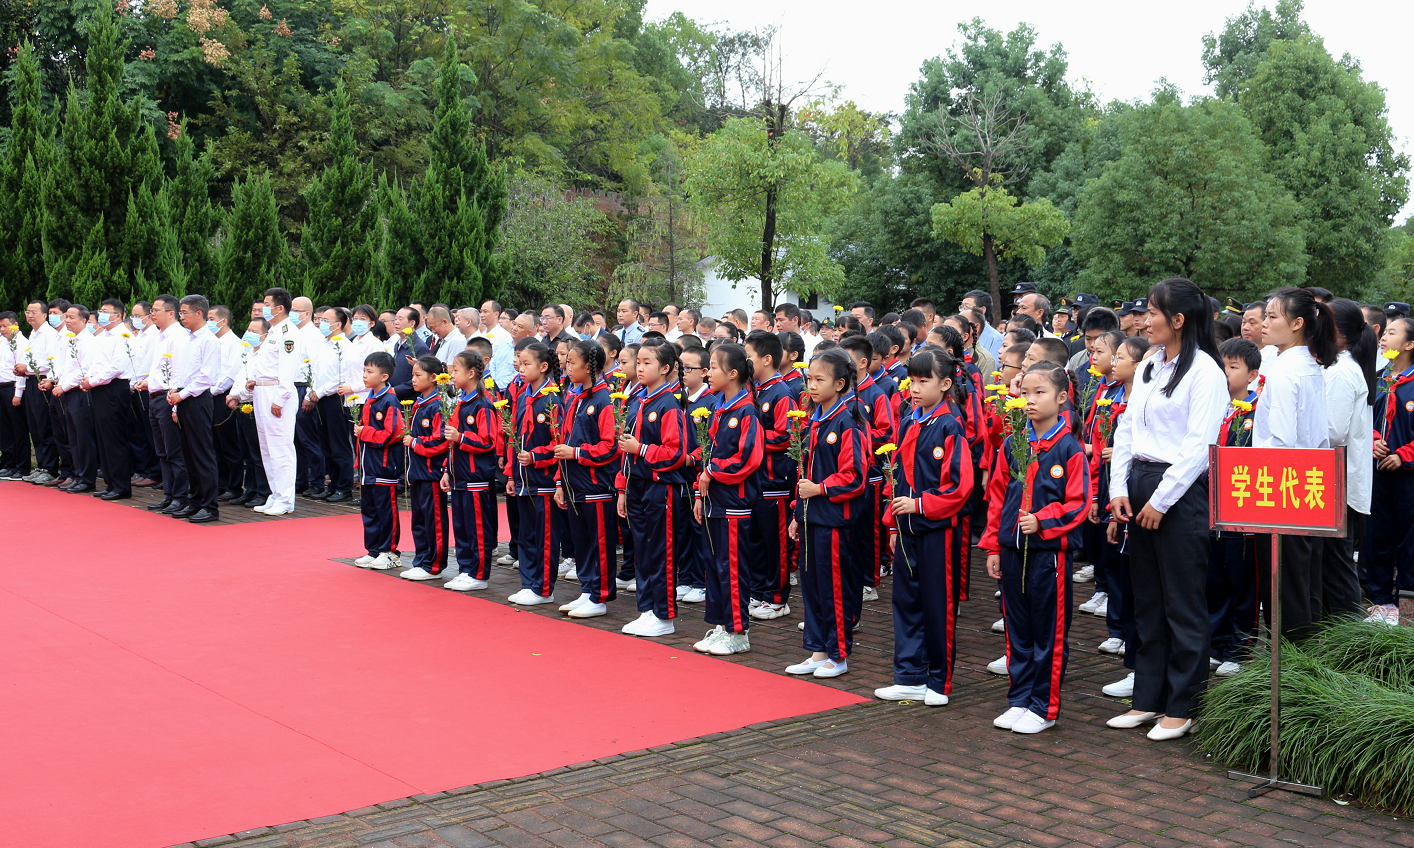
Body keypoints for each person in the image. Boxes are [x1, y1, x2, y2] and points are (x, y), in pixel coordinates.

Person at [1108, 278, 1229, 741]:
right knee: (1149, 599)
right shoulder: (1151, 365)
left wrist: (1160, 501)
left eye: (1153, 313)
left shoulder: (1205, 372)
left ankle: (1183, 705)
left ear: (1178, 320)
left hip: (1178, 492)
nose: (1144, 321)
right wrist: (1119, 488)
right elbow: (1126, 430)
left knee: (1183, 602)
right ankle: (1148, 697)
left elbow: (1199, 447)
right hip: (1139, 483)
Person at [982, 363, 1088, 734]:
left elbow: (1079, 503)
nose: (1029, 400)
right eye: (1025, 392)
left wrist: (1043, 520)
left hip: (1049, 556)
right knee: (1017, 630)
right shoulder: (1014, 442)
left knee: (1049, 633)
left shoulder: (1069, 448)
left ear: (1061, 398)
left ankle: (1044, 706)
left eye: (1039, 392)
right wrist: (994, 544)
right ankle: (1020, 699)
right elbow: (997, 495)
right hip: (1012, 552)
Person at [875, 348, 975, 707]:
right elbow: (897, 476)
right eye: (912, 381)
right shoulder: (910, 419)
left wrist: (920, 504)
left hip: (937, 528)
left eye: (923, 381)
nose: (914, 388)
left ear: (945, 384)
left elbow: (960, 487)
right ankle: (909, 675)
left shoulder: (951, 424)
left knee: (937, 605)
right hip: (906, 528)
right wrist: (891, 522)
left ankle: (938, 679)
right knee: (905, 601)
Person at [1253, 287, 1335, 642]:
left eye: (1272, 317)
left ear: (1298, 323)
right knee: (1304, 583)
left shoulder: (1288, 372)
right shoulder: (1303, 364)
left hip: (1283, 484)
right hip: (1308, 483)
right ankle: (1302, 667)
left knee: (1287, 588)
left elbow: (1281, 441)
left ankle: (1287, 672)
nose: (1265, 324)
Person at [786, 348, 869, 679]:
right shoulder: (814, 419)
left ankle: (839, 653)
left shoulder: (847, 420)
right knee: (812, 585)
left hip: (835, 520)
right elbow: (804, 473)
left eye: (820, 379)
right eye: (810, 379)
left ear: (841, 383)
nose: (812, 385)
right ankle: (819, 649)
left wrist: (820, 489)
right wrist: (797, 512)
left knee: (834, 587)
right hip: (810, 518)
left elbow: (856, 476)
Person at [616, 341, 693, 637]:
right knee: (643, 551)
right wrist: (622, 488)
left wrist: (643, 449)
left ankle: (664, 615)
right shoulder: (638, 401)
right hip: (637, 486)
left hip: (661, 490)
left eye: (647, 362)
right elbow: (626, 450)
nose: (640, 367)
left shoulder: (669, 404)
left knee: (661, 552)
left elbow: (675, 453)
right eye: (639, 361)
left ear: (665, 368)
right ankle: (647, 609)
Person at [691, 342, 764, 656]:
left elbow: (748, 459)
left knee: (732, 566)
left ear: (733, 374)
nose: (709, 373)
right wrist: (700, 490)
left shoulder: (746, 411)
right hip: (713, 500)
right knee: (715, 564)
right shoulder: (718, 407)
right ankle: (721, 625)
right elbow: (708, 453)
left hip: (735, 501)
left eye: (715, 367)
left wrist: (712, 471)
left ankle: (738, 630)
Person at [1205, 337, 1261, 678]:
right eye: (1221, 365)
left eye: (1233, 367)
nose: (1225, 373)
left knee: (1242, 581)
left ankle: (1240, 648)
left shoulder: (1259, 411)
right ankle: (1216, 643)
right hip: (1212, 508)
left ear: (1252, 374)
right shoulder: (1214, 407)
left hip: (1243, 512)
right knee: (1215, 579)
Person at [553, 340, 622, 616]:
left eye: (572, 362)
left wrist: (577, 453)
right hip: (574, 484)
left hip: (596, 485)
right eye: (566, 361)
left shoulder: (604, 399)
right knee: (581, 540)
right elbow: (565, 441)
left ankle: (600, 595)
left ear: (589, 366)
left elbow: (610, 445)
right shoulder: (575, 396)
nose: (567, 367)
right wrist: (560, 482)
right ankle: (587, 589)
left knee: (599, 542)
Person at [1318, 300, 1376, 621]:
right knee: (1336, 565)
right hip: (1337, 481)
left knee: (1338, 569)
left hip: (1334, 482)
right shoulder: (1342, 366)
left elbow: (1332, 432)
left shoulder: (1342, 372)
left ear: (1337, 332)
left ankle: (1352, 642)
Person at [743, 330, 798, 620]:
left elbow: (787, 437)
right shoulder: (756, 390)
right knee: (755, 540)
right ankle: (759, 591)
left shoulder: (781, 393)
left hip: (775, 481)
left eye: (748, 356)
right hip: (755, 480)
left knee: (775, 541)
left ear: (766, 359)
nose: (745, 362)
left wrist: (753, 436)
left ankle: (777, 598)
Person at [439, 348, 500, 591]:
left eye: (456, 370)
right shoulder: (461, 404)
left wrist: (461, 437)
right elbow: (451, 443)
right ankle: (465, 569)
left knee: (477, 529)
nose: (452, 375)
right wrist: (446, 469)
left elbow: (488, 442)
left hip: (476, 478)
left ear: (472, 373)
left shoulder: (483, 406)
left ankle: (478, 574)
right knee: (461, 527)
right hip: (459, 477)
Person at [508, 343, 563, 605]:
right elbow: (516, 438)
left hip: (543, 480)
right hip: (522, 479)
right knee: (526, 535)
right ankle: (528, 583)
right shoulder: (522, 396)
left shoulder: (552, 399)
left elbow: (559, 442)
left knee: (544, 536)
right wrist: (511, 474)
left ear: (543, 367)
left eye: (526, 363)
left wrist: (536, 456)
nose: (521, 367)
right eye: (519, 362)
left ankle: (543, 588)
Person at [1367, 317, 1414, 625]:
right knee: (1377, 535)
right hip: (1378, 471)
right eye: (1384, 333)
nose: (1383, 338)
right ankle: (1380, 599)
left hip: (1408, 474)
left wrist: (1403, 455)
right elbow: (1363, 417)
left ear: (1410, 345)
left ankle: (1406, 600)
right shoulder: (1378, 379)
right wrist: (1372, 441)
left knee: (1408, 539)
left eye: (1392, 334)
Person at [248, 288, 306, 516]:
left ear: (279, 307)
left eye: (267, 303)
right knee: (267, 449)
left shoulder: (288, 332)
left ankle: (285, 499)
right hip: (262, 391)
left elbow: (287, 368)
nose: (263, 308)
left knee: (280, 448)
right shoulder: (273, 331)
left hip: (276, 393)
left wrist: (280, 398)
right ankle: (275, 494)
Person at [166, 294, 222, 523]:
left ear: (200, 313)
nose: (182, 317)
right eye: (180, 313)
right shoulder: (188, 339)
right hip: (183, 398)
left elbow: (206, 377)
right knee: (188, 454)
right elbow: (182, 371)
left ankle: (209, 506)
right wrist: (174, 392)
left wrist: (183, 394)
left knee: (202, 454)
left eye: (185, 313)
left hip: (198, 399)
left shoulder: (209, 340)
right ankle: (196, 501)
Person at [398, 356, 451, 581]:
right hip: (418, 472)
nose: (413, 380)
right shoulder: (420, 403)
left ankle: (434, 564)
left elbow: (441, 441)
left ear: (433, 378)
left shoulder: (437, 405)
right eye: (412, 375)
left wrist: (416, 443)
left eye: (418, 375)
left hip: (432, 473)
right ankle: (421, 559)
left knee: (434, 519)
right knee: (419, 519)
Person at [352, 351, 404, 570]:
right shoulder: (370, 399)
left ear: (384, 376)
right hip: (369, 466)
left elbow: (393, 433)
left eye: (370, 371)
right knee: (370, 509)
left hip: (384, 466)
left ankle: (390, 551)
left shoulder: (389, 400)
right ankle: (373, 550)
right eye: (364, 370)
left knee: (386, 510)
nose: (365, 375)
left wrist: (364, 432)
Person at [310, 307, 355, 503]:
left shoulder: (344, 346)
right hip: (320, 399)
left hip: (335, 399)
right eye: (319, 319)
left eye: (326, 320)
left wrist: (319, 392)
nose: (320, 323)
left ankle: (344, 487)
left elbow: (341, 377)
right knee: (326, 445)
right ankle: (334, 484)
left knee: (339, 445)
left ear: (338, 324)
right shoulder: (322, 344)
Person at [53, 304, 99, 493]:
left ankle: (87, 478)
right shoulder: (70, 339)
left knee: (83, 437)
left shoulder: (88, 341)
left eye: (72, 317)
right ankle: (78, 475)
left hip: (80, 392)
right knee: (73, 436)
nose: (68, 321)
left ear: (84, 320)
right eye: (67, 317)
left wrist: (63, 386)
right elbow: (66, 367)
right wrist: (58, 382)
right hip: (68, 392)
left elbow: (83, 370)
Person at [15, 300, 59, 484]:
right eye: (27, 311)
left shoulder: (49, 334)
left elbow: (50, 362)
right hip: (31, 381)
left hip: (43, 381)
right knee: (35, 426)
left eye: (34, 312)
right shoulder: (32, 334)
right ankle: (41, 465)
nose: (30, 315)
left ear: (44, 315)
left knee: (44, 426)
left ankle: (50, 468)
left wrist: (29, 368)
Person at [208, 306, 245, 502]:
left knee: (228, 442)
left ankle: (234, 485)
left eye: (211, 318)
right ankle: (220, 483)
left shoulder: (233, 343)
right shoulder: (213, 341)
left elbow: (231, 373)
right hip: (209, 395)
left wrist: (212, 390)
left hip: (223, 396)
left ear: (223, 321)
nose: (208, 321)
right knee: (214, 442)